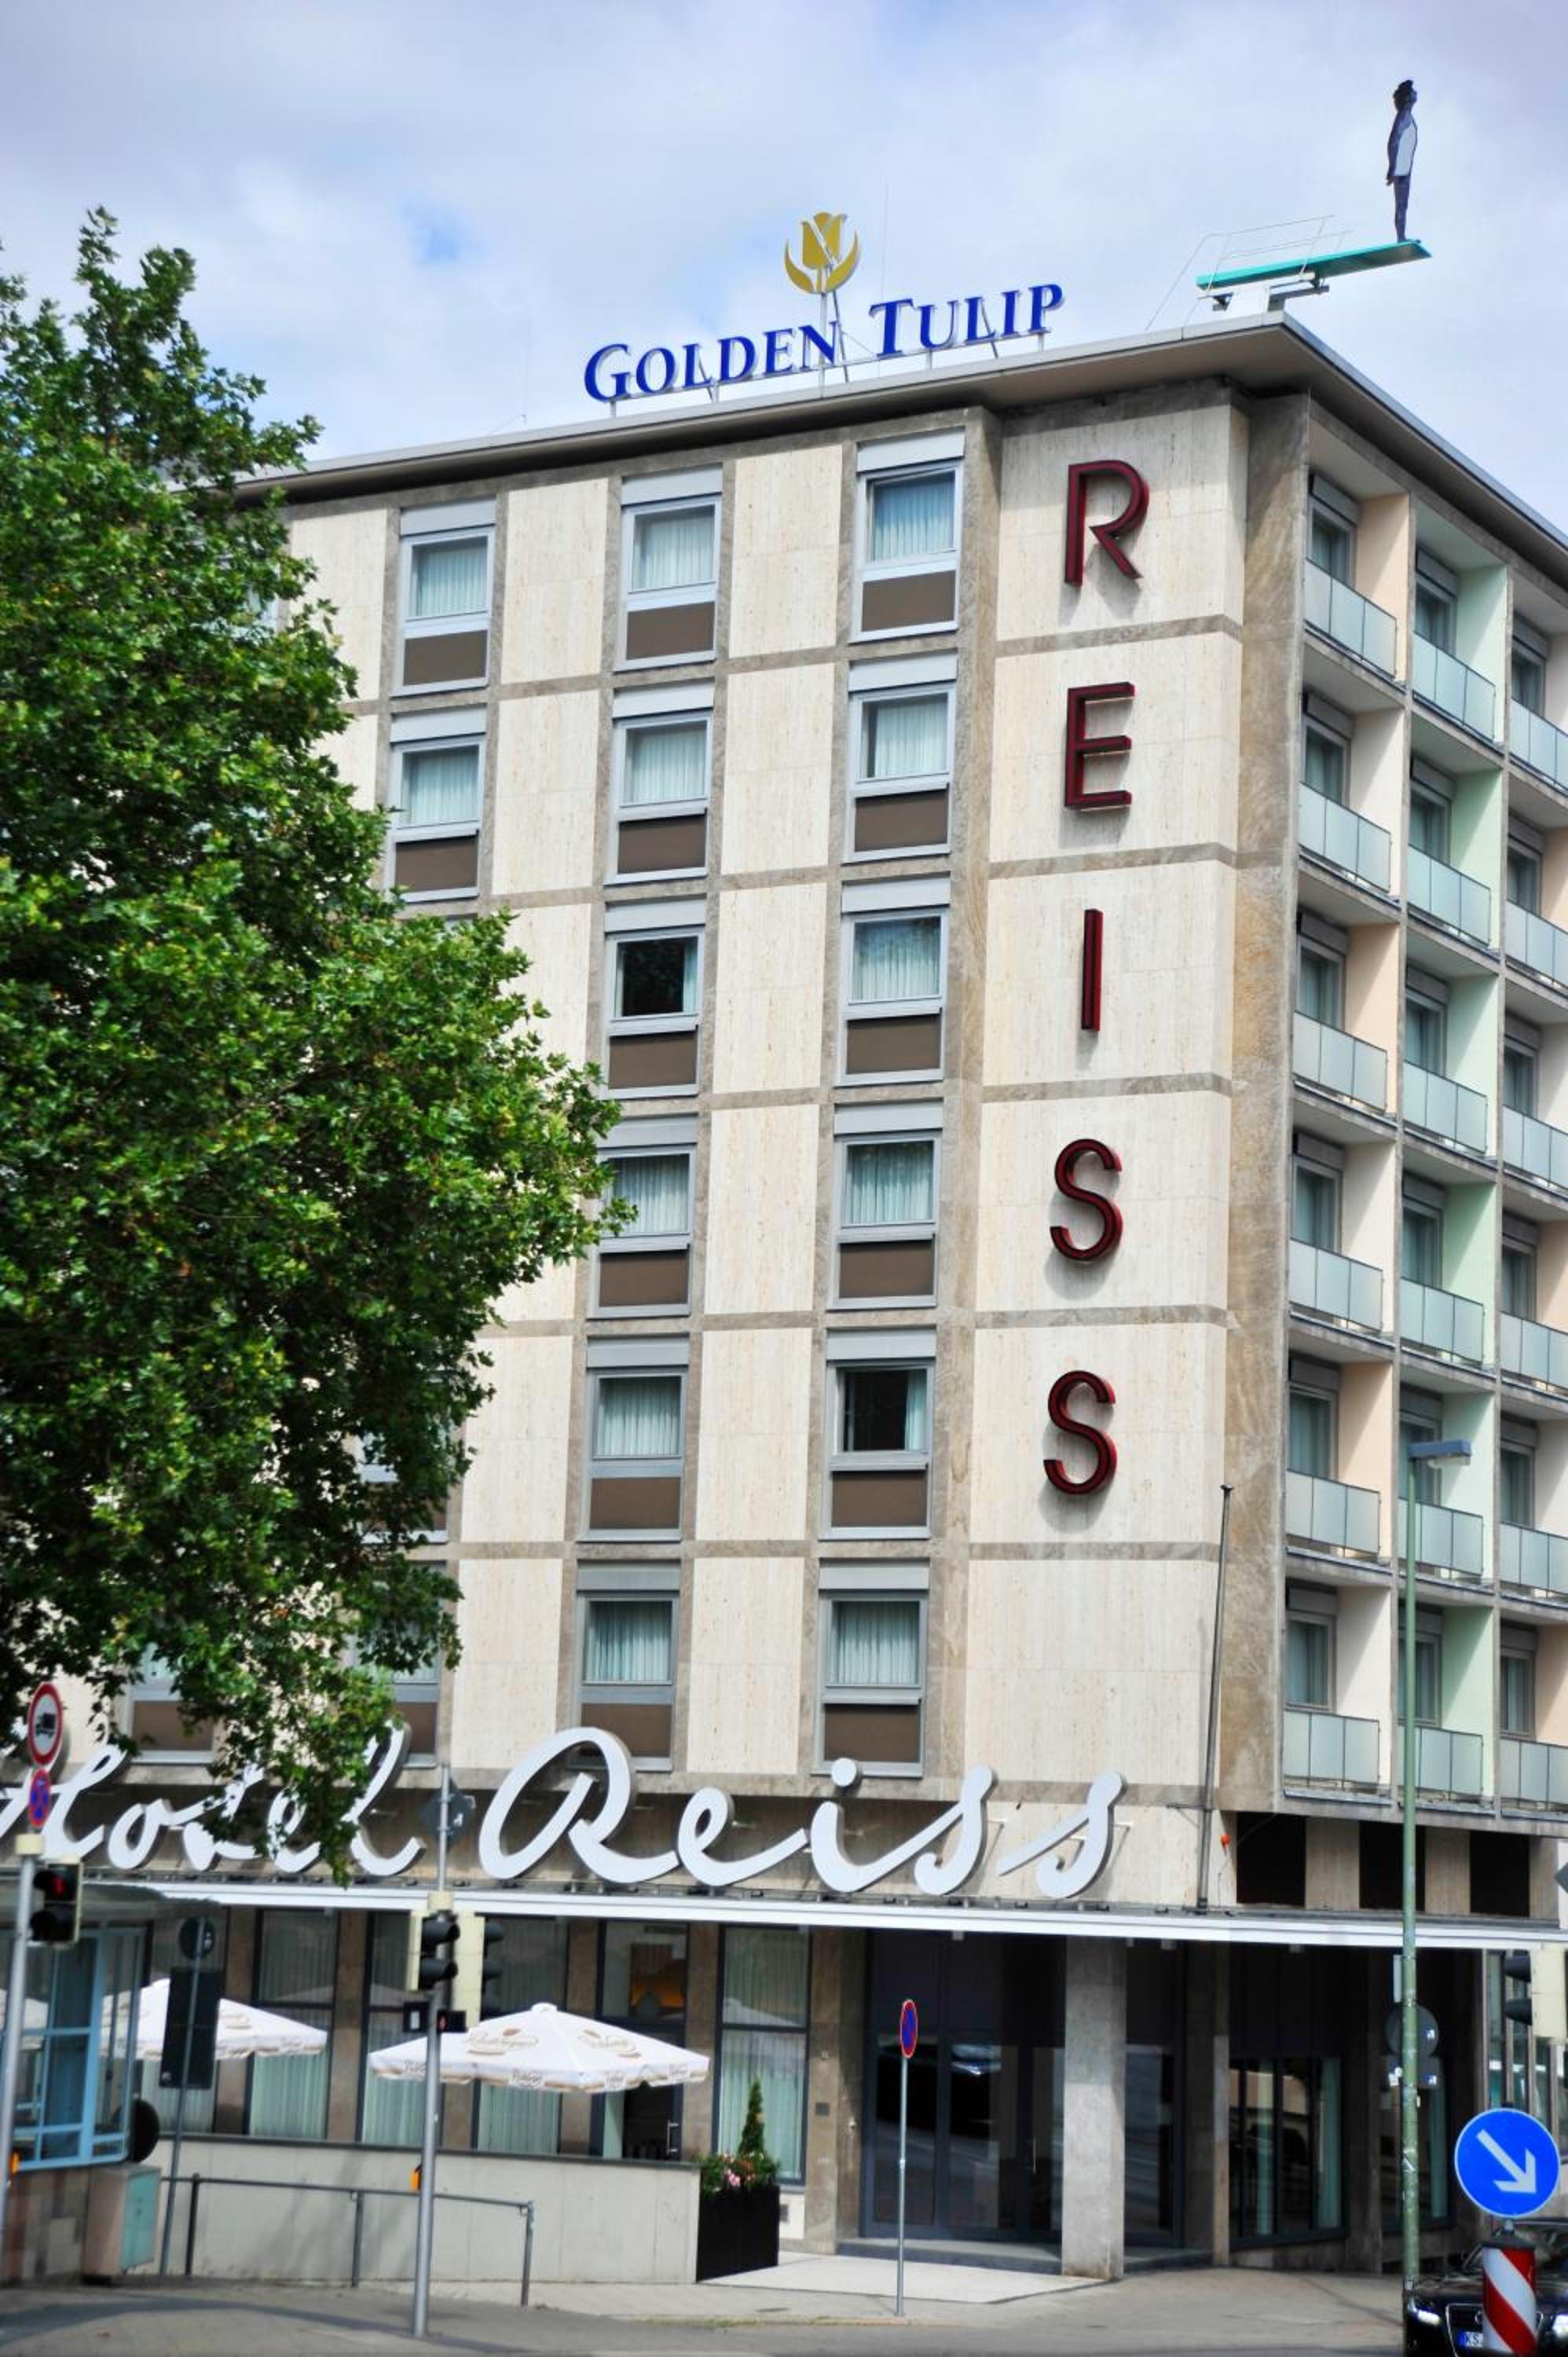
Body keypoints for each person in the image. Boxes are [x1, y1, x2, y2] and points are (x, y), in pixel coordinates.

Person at [1387, 80, 1418, 240]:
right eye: (1413, 92)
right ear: (1407, 97)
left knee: (1403, 204)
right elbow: (1393, 141)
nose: (1416, 94)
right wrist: (1392, 166)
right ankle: (1401, 237)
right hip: (1400, 168)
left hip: (1405, 167)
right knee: (1401, 204)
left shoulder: (1407, 117)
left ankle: (1402, 235)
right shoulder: (1403, 117)